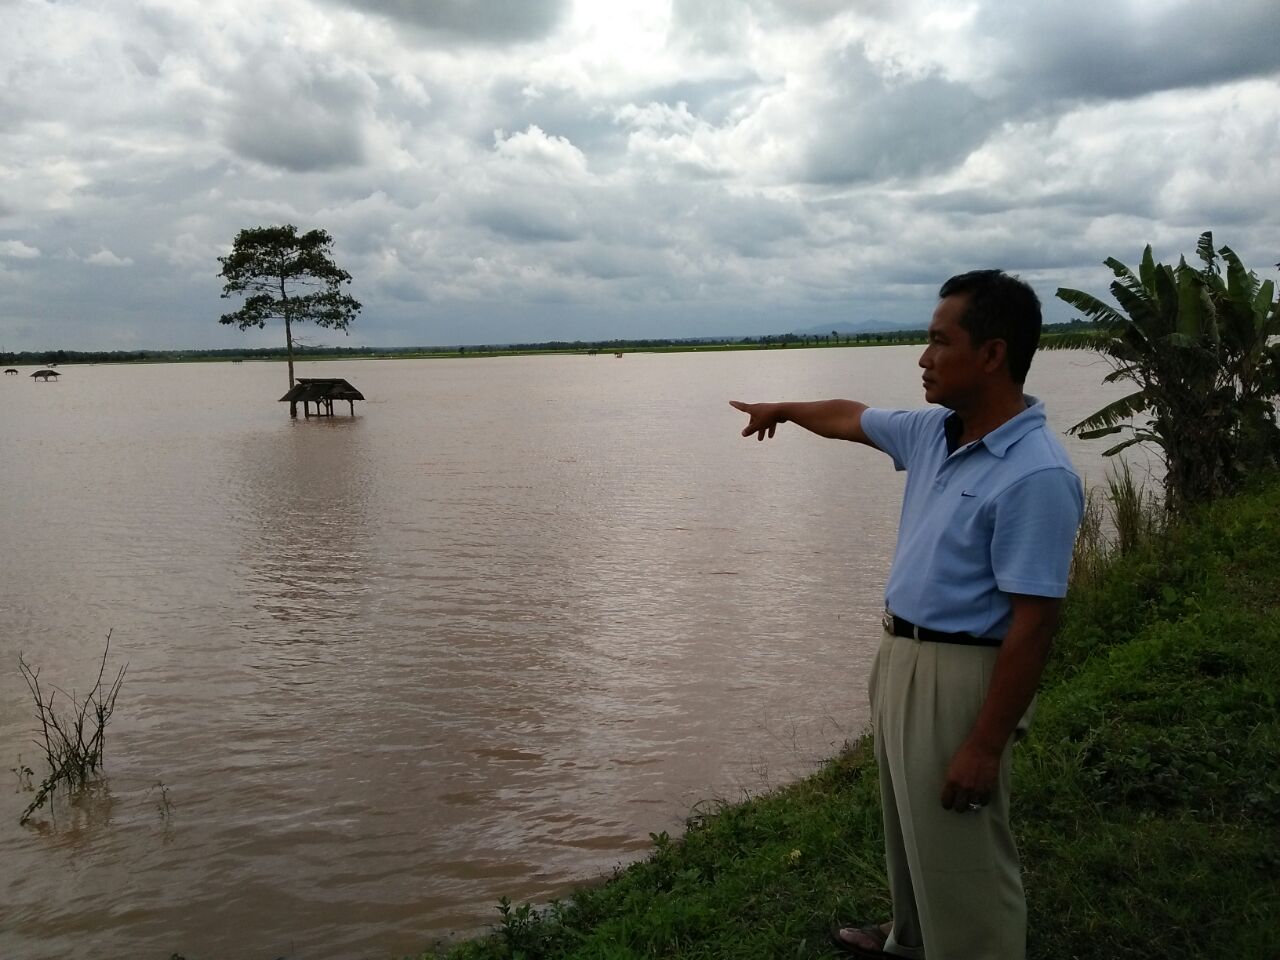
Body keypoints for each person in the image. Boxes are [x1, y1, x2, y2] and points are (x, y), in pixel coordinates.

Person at [730, 270, 1083, 960]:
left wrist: (984, 745)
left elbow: (1036, 624)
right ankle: (913, 939)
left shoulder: (1036, 474)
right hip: (902, 656)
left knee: (963, 846)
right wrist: (783, 408)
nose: (924, 359)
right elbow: (850, 416)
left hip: (961, 673)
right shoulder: (933, 432)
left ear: (992, 354)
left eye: (939, 342)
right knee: (909, 824)